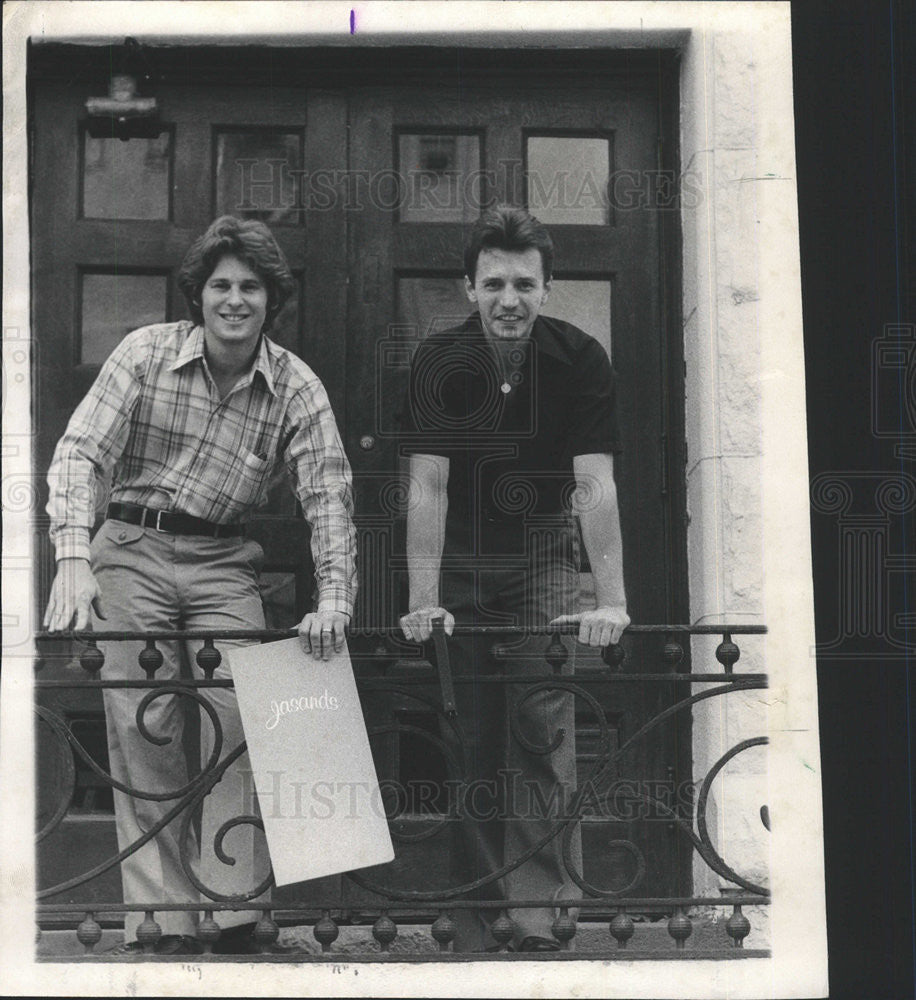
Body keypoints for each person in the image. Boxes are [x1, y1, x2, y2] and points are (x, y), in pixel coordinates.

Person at [43, 216, 357, 955]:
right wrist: (74, 556)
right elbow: (81, 454)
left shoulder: (294, 386)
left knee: (241, 717)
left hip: (222, 563)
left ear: (270, 300)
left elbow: (329, 495)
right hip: (132, 546)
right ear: (199, 294)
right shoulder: (144, 353)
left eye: (251, 286)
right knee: (144, 721)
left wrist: (335, 598)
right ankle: (161, 921)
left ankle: (234, 911)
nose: (235, 299)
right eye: (222, 284)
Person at [398, 206, 629, 953]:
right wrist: (423, 598)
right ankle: (474, 915)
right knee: (467, 729)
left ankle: (540, 917)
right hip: (459, 546)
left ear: (548, 288)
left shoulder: (582, 358)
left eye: (524, 284)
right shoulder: (440, 361)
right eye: (493, 282)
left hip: (538, 551)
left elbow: (593, 483)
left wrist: (613, 595)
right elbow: (427, 485)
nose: (509, 299)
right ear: (468, 288)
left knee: (539, 721)